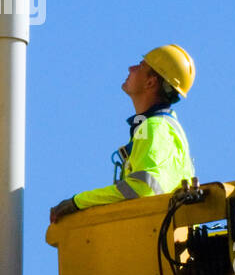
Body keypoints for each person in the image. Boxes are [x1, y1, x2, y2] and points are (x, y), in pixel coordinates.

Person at [49, 45, 196, 222]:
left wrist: (77, 202)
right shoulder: (159, 127)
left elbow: (142, 189)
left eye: (141, 66)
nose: (131, 68)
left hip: (155, 235)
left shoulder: (154, 127)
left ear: (151, 82)